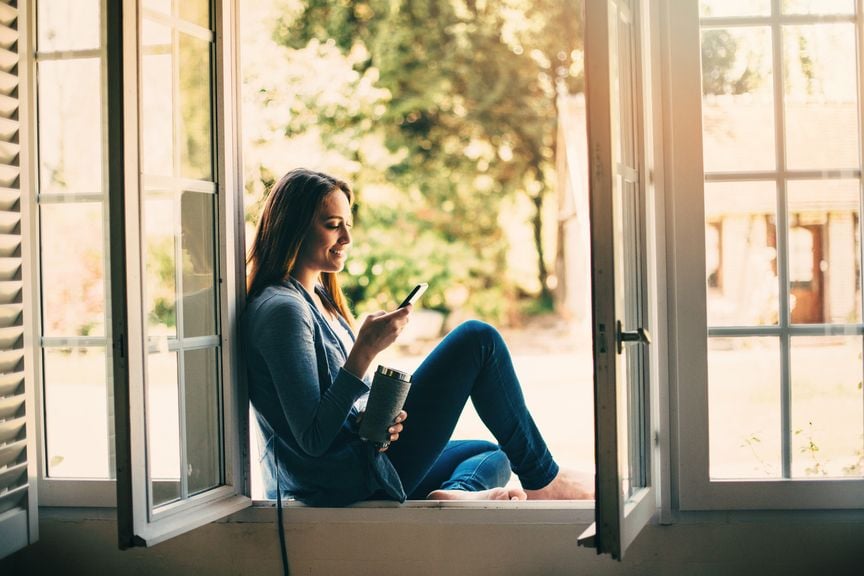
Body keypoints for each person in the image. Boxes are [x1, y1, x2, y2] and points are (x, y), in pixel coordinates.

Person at [242, 167, 593, 506]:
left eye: (348, 225)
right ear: (293, 228)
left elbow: (331, 409)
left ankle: (456, 493)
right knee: (477, 341)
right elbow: (314, 439)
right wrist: (364, 350)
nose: (347, 239)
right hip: (341, 481)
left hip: (361, 458)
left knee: (491, 453)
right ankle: (544, 481)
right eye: (334, 226)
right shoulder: (283, 311)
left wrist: (373, 418)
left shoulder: (317, 298)